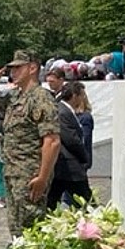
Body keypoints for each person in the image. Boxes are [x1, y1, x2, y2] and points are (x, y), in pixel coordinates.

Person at [0, 50, 60, 237]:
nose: (12, 72)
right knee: (16, 227)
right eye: (11, 69)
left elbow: (52, 141)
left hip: (30, 173)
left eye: (18, 68)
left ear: (32, 68)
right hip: (12, 171)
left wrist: (42, 177)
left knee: (32, 228)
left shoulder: (40, 98)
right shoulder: (14, 96)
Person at [47, 81, 91, 209]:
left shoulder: (65, 110)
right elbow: (71, 140)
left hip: (64, 166)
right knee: (86, 202)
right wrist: (84, 157)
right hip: (68, 166)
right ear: (74, 96)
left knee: (52, 201)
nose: (83, 98)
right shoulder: (63, 112)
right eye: (81, 95)